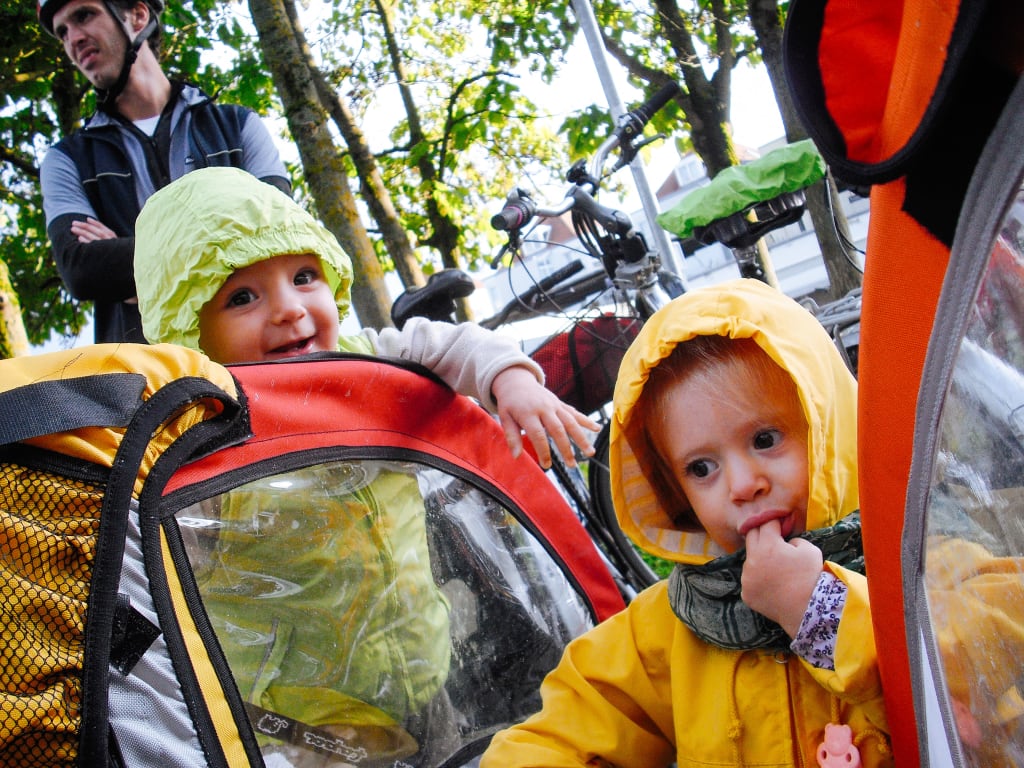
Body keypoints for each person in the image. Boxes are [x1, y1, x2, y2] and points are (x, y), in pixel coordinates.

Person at [132, 165, 598, 767]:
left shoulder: (367, 361)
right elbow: (169, 576)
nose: (290, 310)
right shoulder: (203, 437)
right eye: (242, 297)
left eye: (305, 277)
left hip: (431, 671)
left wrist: (510, 382)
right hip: (307, 722)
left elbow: (449, 344)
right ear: (190, 330)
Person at [481, 278, 893, 767]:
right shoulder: (671, 625)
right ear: (674, 490)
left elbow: (978, 682)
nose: (742, 485)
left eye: (765, 439)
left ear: (829, 425)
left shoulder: (920, 563)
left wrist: (822, 612)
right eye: (701, 468)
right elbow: (569, 726)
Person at [38, 0, 290, 344]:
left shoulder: (238, 125)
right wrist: (226, 259)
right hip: (145, 379)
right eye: (63, 32)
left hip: (253, 359)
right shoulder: (66, 159)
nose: (73, 39)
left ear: (138, 16)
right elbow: (83, 270)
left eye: (84, 16)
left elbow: (281, 236)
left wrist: (143, 272)